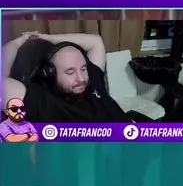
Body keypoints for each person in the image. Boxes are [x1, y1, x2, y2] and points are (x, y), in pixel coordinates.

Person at [2, 31, 132, 124]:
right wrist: (19, 42)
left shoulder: (91, 80)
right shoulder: (41, 101)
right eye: (70, 72)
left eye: (83, 69)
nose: (81, 78)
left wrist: (47, 38)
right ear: (50, 73)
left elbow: (95, 41)